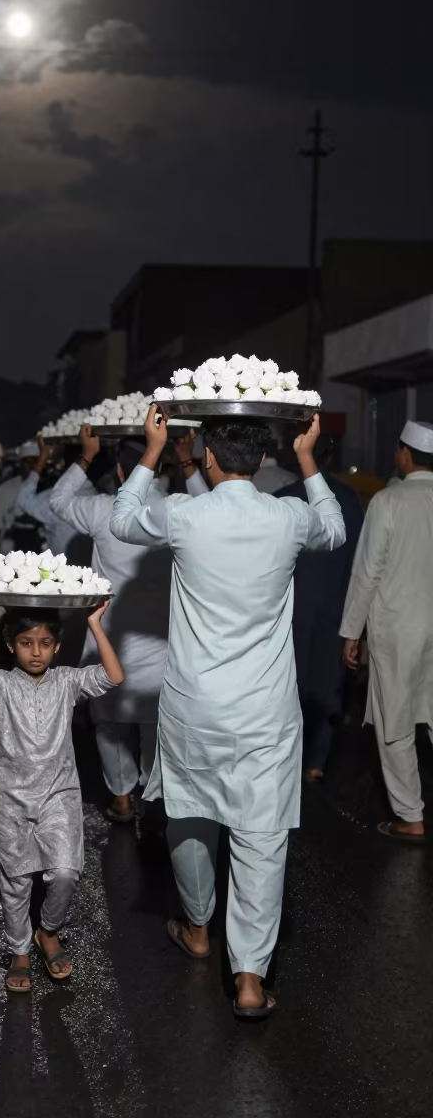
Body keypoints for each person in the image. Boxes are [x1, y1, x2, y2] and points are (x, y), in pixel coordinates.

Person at [111, 406, 345, 1018]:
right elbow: (334, 528)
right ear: (263, 460)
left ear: (208, 459)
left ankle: (197, 927)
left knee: (191, 818)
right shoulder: (289, 517)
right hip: (266, 708)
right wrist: (308, 458)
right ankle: (249, 979)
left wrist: (153, 450)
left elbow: (122, 520)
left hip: (195, 705)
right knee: (261, 838)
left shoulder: (184, 515)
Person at [0, 594, 123, 991]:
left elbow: (113, 677)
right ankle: (20, 951)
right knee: (16, 880)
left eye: (45, 643)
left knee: (64, 872)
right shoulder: (2, 685)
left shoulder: (66, 681)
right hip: (11, 798)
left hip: (58, 793)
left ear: (57, 646)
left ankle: (48, 930)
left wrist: (95, 624)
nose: (36, 651)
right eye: (27, 643)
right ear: (11, 646)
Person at [49, 423, 207, 823]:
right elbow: (213, 510)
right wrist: (188, 462)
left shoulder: (103, 509)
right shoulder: (179, 510)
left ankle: (120, 797)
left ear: (120, 471)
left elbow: (58, 499)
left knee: (110, 726)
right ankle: (153, 799)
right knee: (155, 726)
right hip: (162, 641)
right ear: (158, 469)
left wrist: (86, 456)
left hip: (110, 640)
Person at [340, 420, 433, 842]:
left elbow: (367, 573)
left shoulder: (388, 501)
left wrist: (351, 631)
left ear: (405, 455)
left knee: (395, 720)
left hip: (398, 629)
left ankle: (411, 815)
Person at [276, 440, 364, 779]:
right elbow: (359, 558)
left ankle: (289, 754)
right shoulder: (349, 498)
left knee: (290, 683)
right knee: (327, 683)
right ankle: (316, 761)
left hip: (292, 606)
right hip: (336, 604)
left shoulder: (284, 497)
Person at [12, 436, 89, 557]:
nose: (32, 465)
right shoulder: (102, 498)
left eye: (35, 461)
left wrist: (42, 460)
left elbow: (23, 500)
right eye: (28, 461)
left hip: (62, 564)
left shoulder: (57, 498)